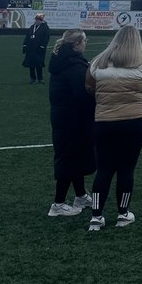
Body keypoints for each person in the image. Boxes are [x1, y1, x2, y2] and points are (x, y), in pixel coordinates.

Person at [85, 24, 142, 231]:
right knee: (126, 169)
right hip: (135, 122)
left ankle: (96, 216)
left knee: (104, 170)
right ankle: (123, 214)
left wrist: (106, 99)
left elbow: (89, 87)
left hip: (104, 122)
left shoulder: (98, 61)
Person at [47, 29, 96, 216]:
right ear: (76, 44)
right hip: (72, 120)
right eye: (84, 40)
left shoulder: (66, 62)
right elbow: (83, 96)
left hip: (66, 117)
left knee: (76, 157)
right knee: (68, 158)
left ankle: (81, 195)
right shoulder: (74, 67)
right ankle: (58, 204)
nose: (86, 43)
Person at [22, 13, 51, 84]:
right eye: (36, 19)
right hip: (30, 49)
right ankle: (32, 79)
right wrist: (24, 45)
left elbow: (46, 38)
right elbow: (27, 36)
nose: (36, 21)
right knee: (31, 64)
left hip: (39, 49)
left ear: (41, 21)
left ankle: (40, 79)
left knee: (39, 64)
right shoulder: (32, 27)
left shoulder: (45, 28)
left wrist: (42, 46)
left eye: (38, 20)